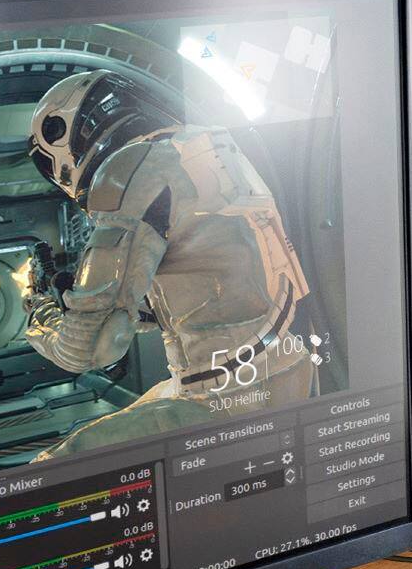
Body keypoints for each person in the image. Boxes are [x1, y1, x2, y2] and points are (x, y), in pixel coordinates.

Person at [22, 69, 316, 459]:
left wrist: (39, 316)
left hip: (225, 399)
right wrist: (80, 299)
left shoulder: (128, 169)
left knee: (48, 473)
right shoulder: (210, 146)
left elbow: (91, 348)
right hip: (286, 371)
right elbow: (204, 294)